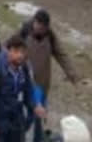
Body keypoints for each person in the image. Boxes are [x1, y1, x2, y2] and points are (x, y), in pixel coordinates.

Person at [16, 9, 77, 142]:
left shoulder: (50, 35)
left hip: (42, 85)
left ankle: (38, 138)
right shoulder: (24, 32)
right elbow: (9, 49)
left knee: (39, 115)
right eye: (40, 27)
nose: (42, 30)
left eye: (44, 28)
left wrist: (71, 73)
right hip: (25, 84)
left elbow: (61, 54)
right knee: (27, 116)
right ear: (35, 23)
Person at [0, 35, 46, 142]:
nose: (20, 55)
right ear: (8, 51)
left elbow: (28, 91)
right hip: (0, 126)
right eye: (16, 51)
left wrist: (35, 106)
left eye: (22, 52)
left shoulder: (23, 68)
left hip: (17, 123)